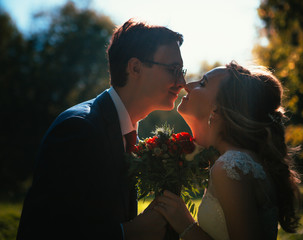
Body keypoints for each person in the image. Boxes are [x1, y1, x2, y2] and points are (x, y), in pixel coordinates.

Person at [17, 19, 186, 240]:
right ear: (135, 67)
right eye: (173, 70)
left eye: (181, 70)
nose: (182, 81)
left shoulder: (125, 131)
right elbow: (43, 230)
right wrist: (128, 234)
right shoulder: (79, 129)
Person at [154, 61, 301, 240]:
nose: (187, 85)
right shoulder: (236, 160)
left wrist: (185, 225)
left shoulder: (230, 167)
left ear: (219, 108)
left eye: (202, 84)